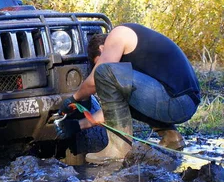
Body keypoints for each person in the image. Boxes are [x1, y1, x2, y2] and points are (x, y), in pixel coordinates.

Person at [59, 23, 201, 164]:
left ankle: (118, 150)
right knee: (117, 84)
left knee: (104, 72)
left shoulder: (118, 34)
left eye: (98, 61)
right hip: (185, 102)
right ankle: (171, 137)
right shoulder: (134, 60)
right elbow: (114, 112)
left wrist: (74, 98)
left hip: (175, 100)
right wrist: (78, 125)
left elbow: (96, 78)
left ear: (102, 48)